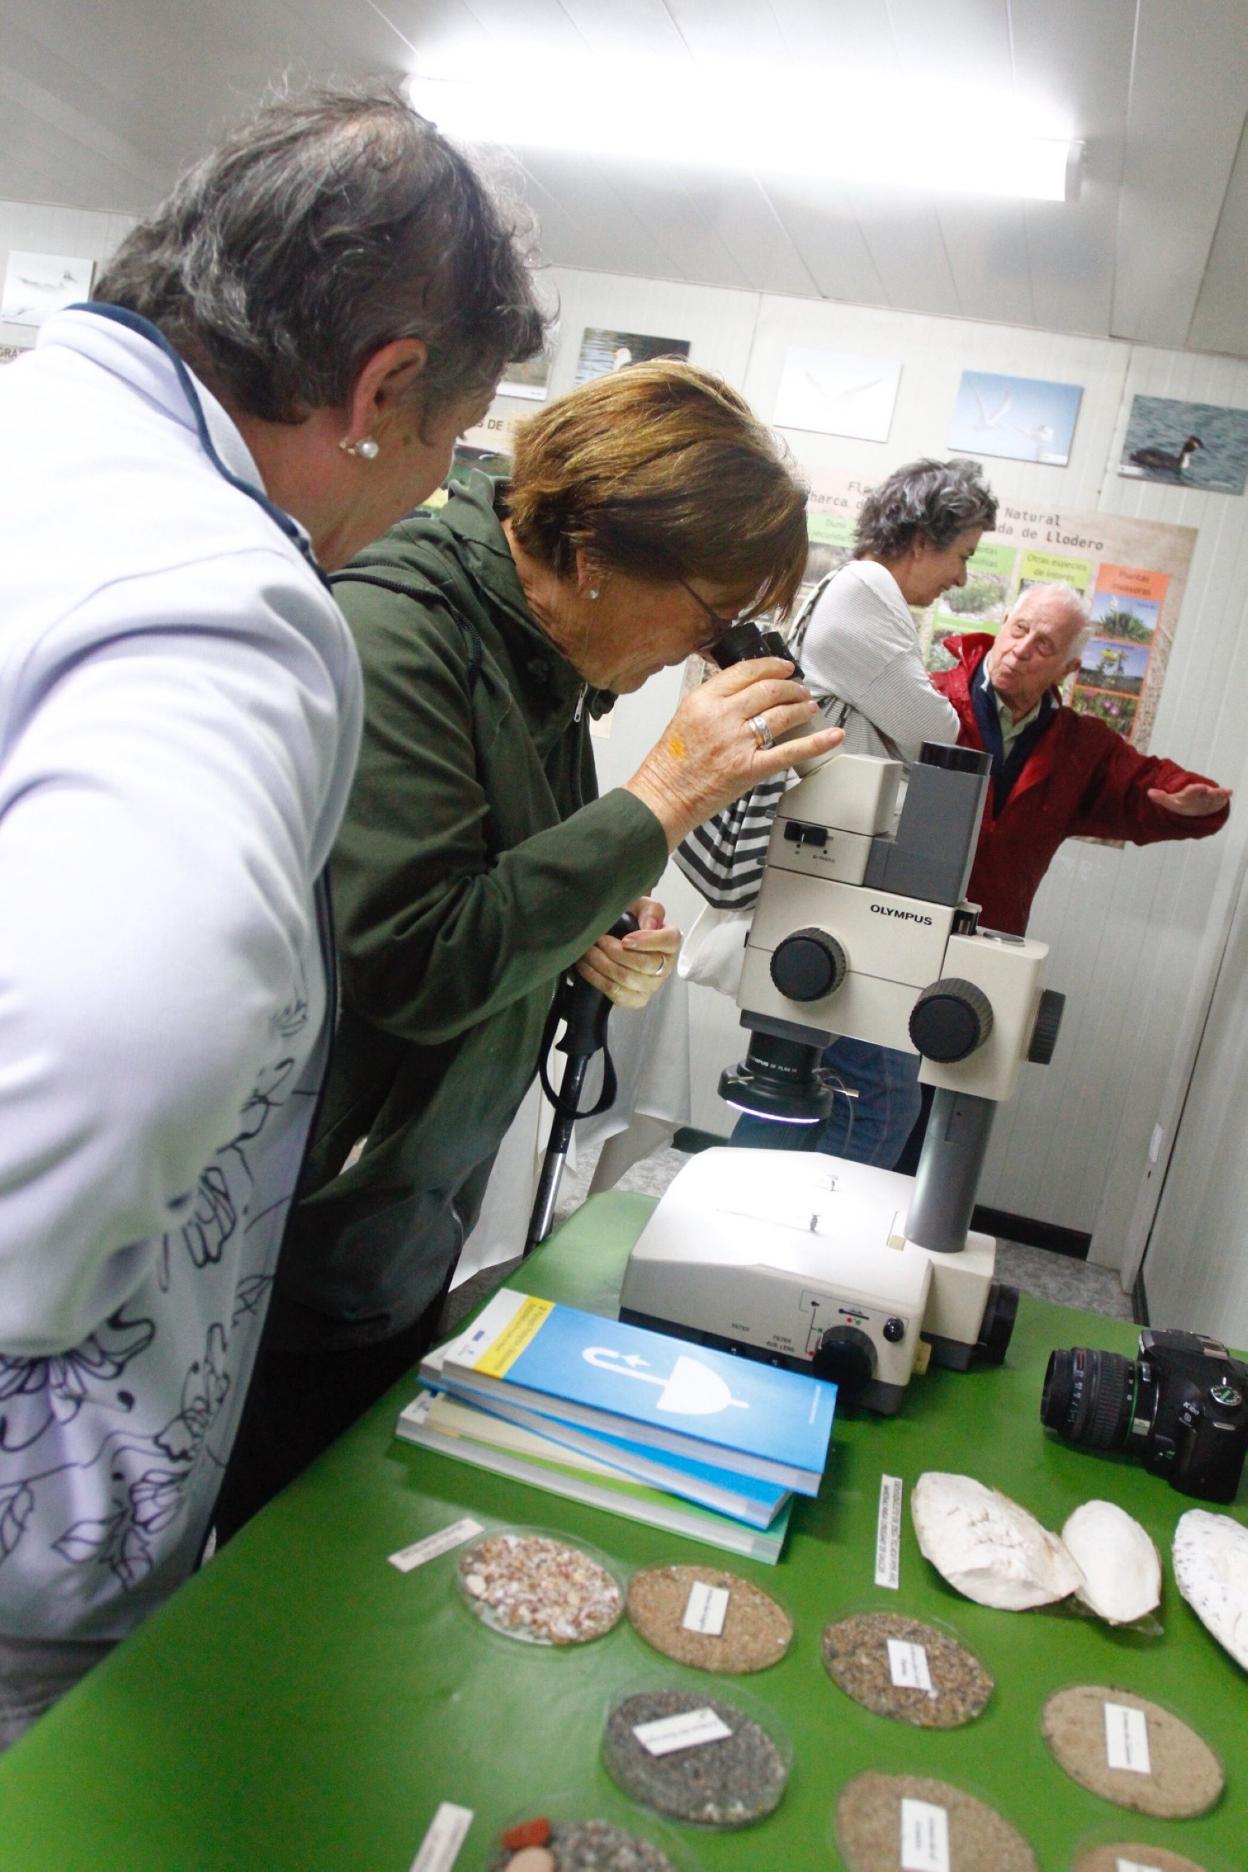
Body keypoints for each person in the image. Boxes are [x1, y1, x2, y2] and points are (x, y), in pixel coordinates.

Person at [0, 84, 544, 1745]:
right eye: (450, 438)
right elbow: (124, 1030)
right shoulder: (223, 597)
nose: (437, 483)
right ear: (382, 392)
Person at [213, 360, 843, 1536]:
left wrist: (587, 932)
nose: (698, 653)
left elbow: (501, 875)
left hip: (401, 1219)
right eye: (706, 616)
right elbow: (415, 954)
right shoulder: (398, 630)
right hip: (290, 1250)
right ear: (598, 552)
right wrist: (662, 794)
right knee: (261, 1568)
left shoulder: (538, 665)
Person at [718, 457, 998, 1166]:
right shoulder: (867, 590)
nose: (961, 578)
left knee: (809, 1075)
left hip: (838, 873)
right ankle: (810, 1256)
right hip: (849, 881)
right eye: (963, 554)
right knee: (876, 1095)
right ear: (923, 536)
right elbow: (939, 732)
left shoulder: (855, 591)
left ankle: (747, 1233)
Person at [932, 582, 1231, 934]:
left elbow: (1140, 787)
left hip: (992, 938)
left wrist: (1192, 802)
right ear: (1005, 622)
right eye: (1019, 629)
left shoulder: (1080, 748)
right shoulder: (932, 700)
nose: (1021, 650)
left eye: (1044, 645)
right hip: (899, 914)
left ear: (1067, 669)